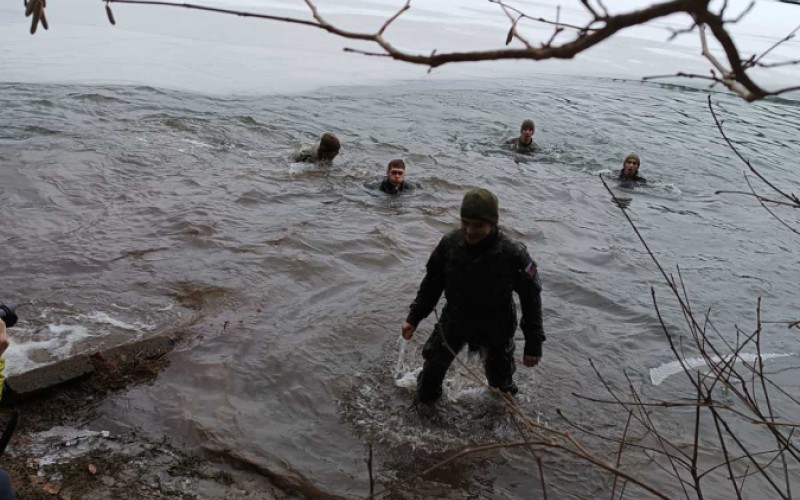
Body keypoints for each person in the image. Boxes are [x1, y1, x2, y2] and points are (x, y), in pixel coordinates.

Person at [401, 188, 545, 417]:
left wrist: (533, 344)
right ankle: (426, 419)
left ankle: (503, 431)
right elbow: (431, 285)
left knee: (502, 391)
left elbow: (531, 298)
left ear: (492, 224)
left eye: (477, 225)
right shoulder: (449, 244)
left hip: (496, 326)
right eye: (465, 222)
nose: (469, 230)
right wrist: (414, 318)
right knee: (429, 378)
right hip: (455, 319)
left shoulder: (513, 253)